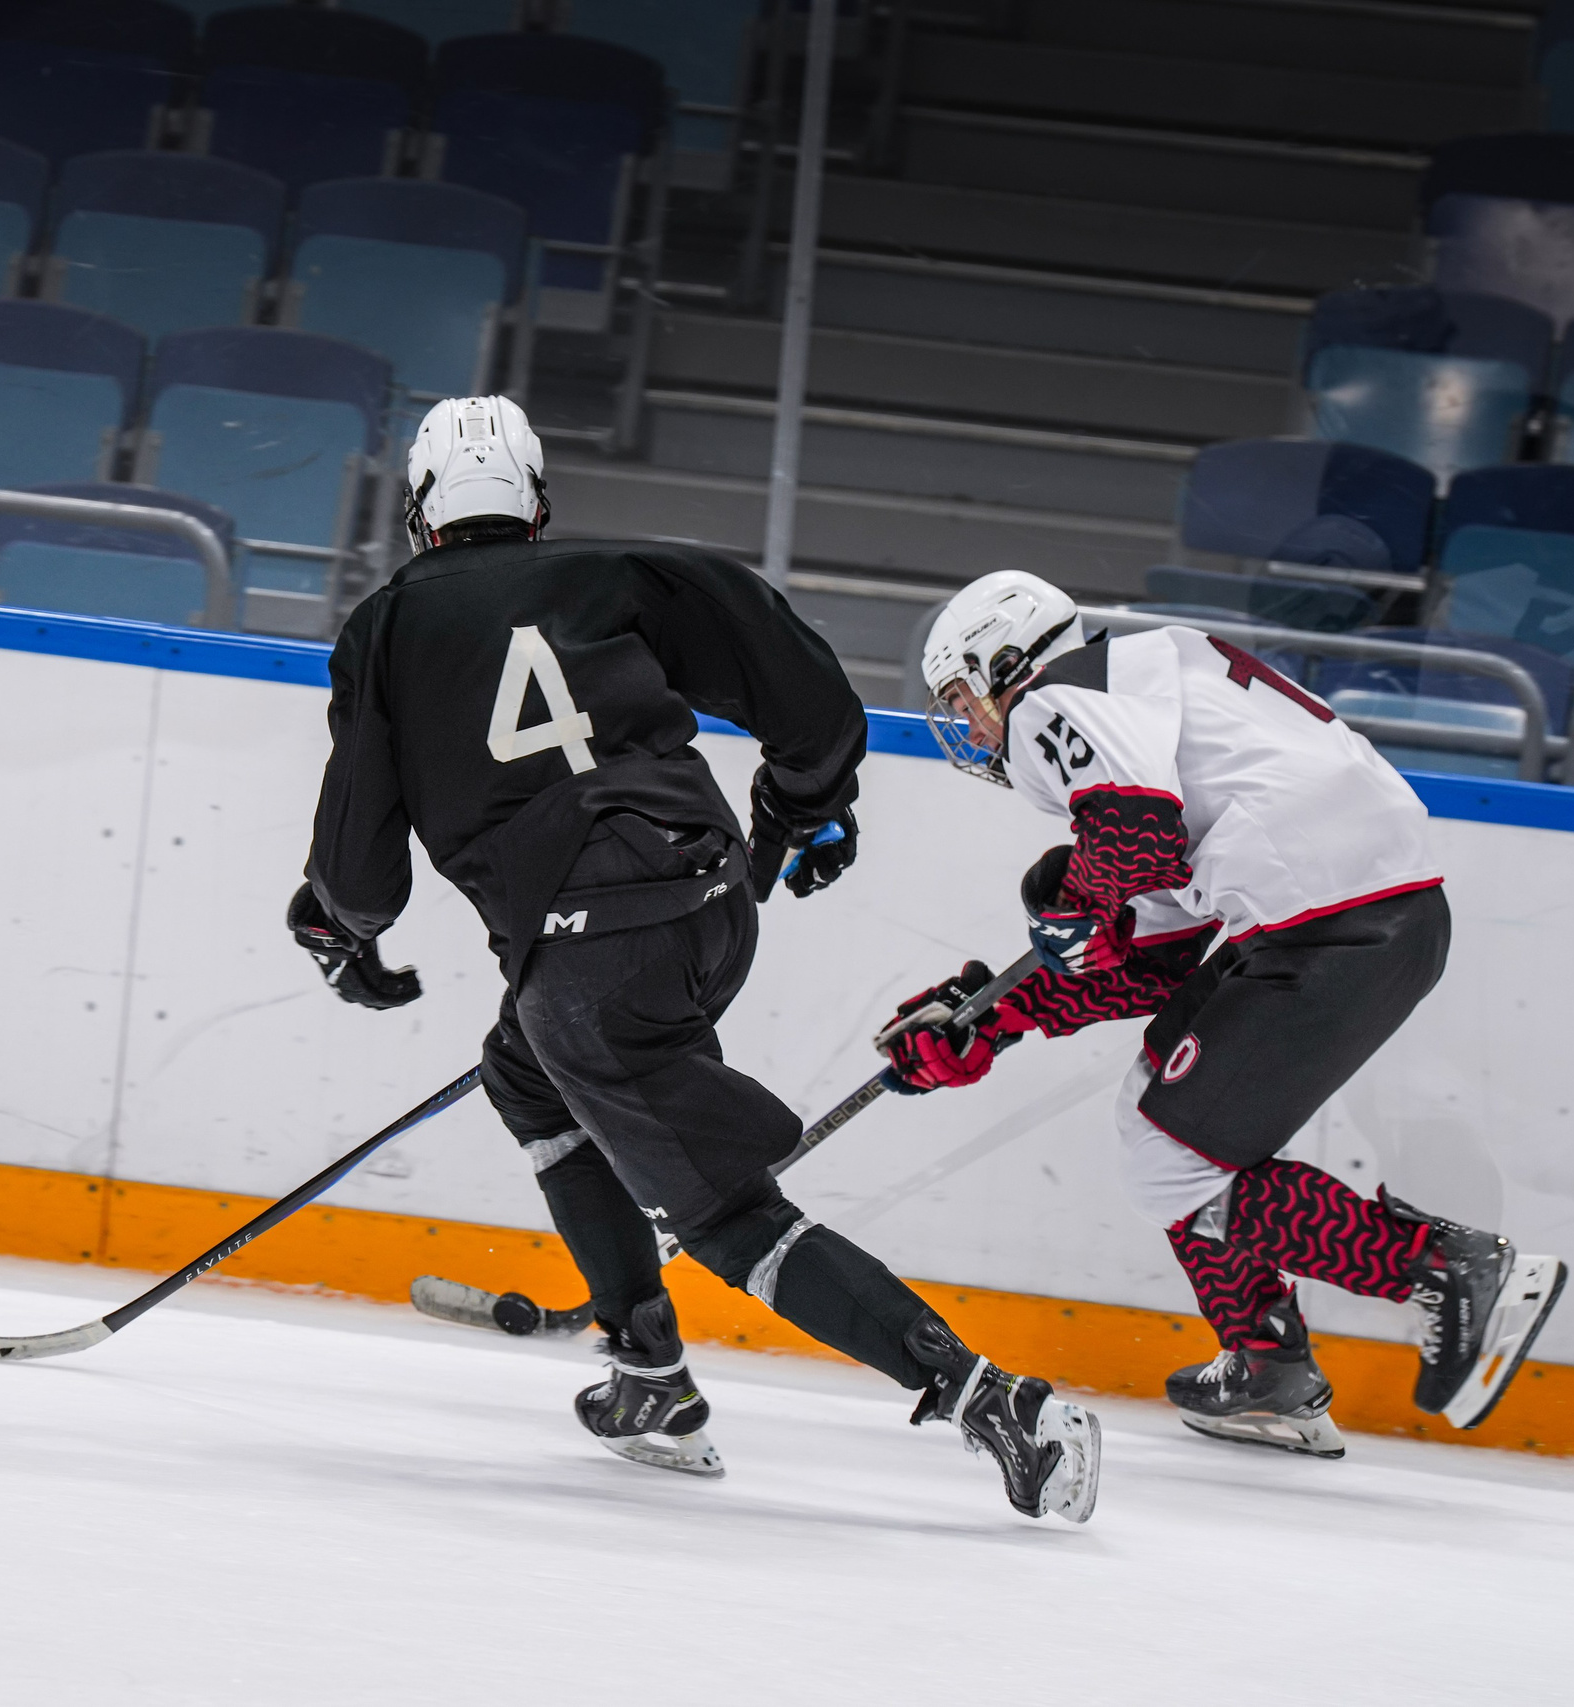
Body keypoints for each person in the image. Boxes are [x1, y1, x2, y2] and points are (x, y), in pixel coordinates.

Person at [289, 397, 1098, 1521]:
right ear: (537, 508)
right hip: (714, 902)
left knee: (726, 1218)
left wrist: (341, 927)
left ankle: (988, 1402)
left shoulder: (385, 629)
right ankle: (646, 1373)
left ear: (421, 519)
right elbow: (804, 691)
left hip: (589, 956)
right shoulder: (621, 571)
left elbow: (358, 861)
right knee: (528, 1075)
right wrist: (808, 802)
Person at [881, 570, 1565, 1457]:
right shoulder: (1155, 703)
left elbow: (1132, 835)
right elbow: (1144, 964)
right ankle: (1266, 1367)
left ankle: (1444, 1269)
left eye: (966, 698)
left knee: (1169, 1152)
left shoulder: (1061, 698)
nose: (969, 726)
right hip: (1357, 915)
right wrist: (988, 1017)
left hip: (1334, 920)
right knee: (1161, 1120)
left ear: (1009, 664)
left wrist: (1075, 905)